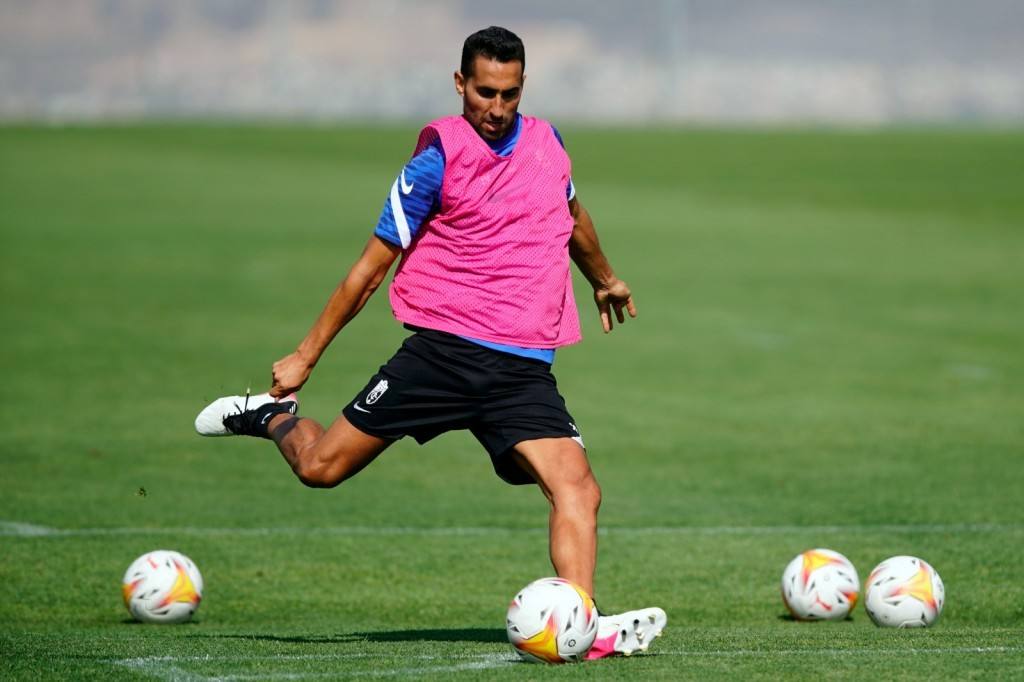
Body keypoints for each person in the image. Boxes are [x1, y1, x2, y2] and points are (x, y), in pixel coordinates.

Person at [195, 26, 665, 659]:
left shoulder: (547, 144)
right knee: (320, 469)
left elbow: (572, 216)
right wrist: (307, 354)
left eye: (509, 93)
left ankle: (580, 626)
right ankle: (270, 417)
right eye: (484, 92)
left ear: (523, 86)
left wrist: (604, 278)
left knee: (579, 489)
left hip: (521, 367)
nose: (497, 108)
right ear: (460, 83)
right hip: (441, 355)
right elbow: (369, 271)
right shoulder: (436, 157)